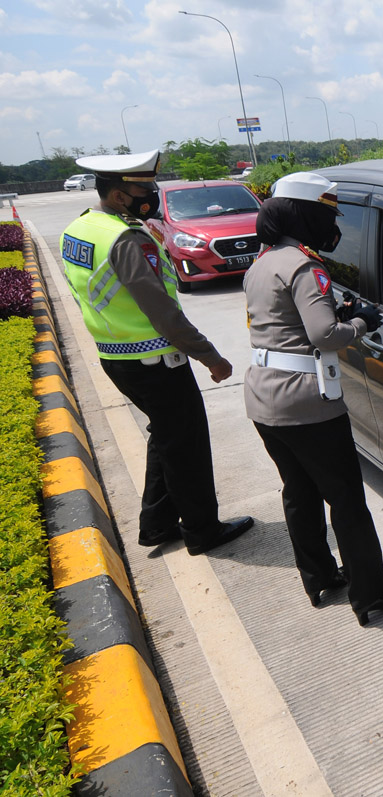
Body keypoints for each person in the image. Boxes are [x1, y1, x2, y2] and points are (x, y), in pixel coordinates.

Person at [58, 150, 253, 554]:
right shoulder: (126, 239)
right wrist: (209, 355)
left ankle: (156, 524)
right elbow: (162, 311)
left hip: (116, 356)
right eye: (142, 189)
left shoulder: (81, 228)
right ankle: (203, 531)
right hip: (156, 360)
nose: (151, 195)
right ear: (116, 196)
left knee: (166, 436)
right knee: (187, 447)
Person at [243, 171, 383, 627]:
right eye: (327, 214)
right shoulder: (304, 265)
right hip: (307, 403)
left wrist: (339, 312)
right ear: (306, 214)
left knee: (298, 493)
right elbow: (324, 335)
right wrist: (363, 322)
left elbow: (284, 322)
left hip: (263, 396)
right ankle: (370, 595)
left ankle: (319, 580)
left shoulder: (263, 261)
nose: (332, 224)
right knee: (347, 501)